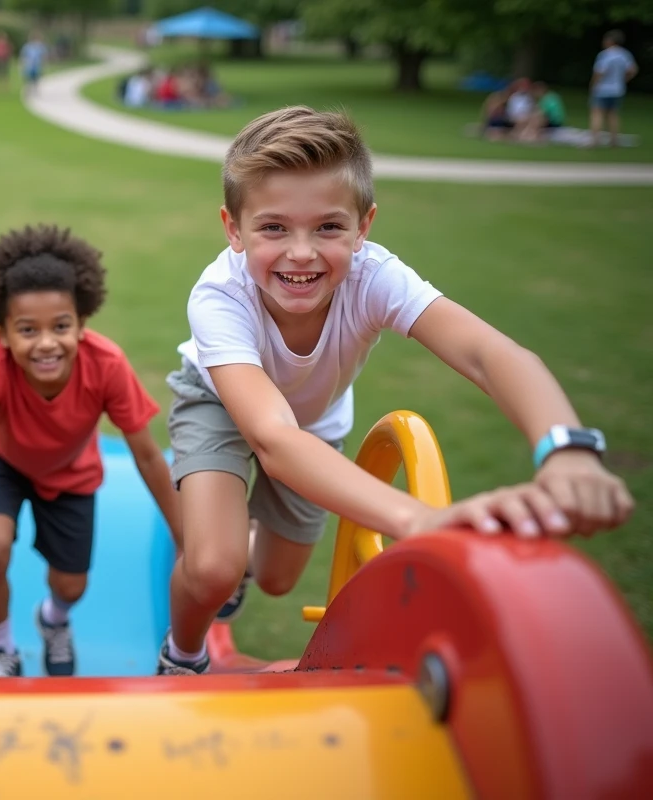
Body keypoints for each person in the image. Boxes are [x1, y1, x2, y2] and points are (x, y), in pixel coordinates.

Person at [158, 106, 634, 676]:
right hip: (222, 406)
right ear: (234, 229)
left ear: (365, 225)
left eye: (329, 227)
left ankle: (241, 535)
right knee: (212, 565)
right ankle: (182, 658)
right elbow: (272, 438)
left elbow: (489, 354)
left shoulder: (375, 277)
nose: (302, 252)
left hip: (311, 423)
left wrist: (568, 451)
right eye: (274, 227)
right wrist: (414, 518)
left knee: (279, 578)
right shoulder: (218, 297)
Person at [0, 225, 182, 677]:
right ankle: (2, 649)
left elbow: (146, 454)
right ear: (2, 333)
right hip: (1, 463)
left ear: (81, 323)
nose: (46, 342)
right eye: (28, 329)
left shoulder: (106, 364)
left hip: (71, 471)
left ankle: (53, 620)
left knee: (71, 584)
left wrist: (185, 535)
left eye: (60, 326)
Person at [590, 30, 639, 148]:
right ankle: (614, 141)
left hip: (602, 89)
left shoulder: (605, 55)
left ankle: (595, 140)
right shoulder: (624, 54)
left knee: (597, 114)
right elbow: (633, 70)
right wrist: (623, 80)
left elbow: (599, 72)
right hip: (617, 89)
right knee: (613, 115)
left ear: (610, 41)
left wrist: (593, 85)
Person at [19, 32, 48, 98]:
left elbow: (44, 57)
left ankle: (35, 91)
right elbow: (23, 56)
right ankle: (28, 91)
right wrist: (22, 64)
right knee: (28, 79)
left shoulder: (41, 47)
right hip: (29, 66)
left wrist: (44, 65)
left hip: (37, 66)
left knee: (36, 79)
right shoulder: (27, 47)